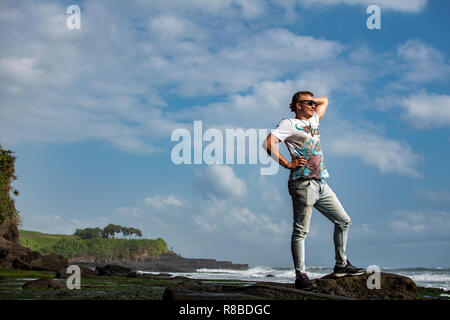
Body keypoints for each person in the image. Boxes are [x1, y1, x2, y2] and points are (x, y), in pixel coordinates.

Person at [263, 91, 365, 290]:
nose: (312, 105)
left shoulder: (315, 120)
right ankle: (301, 276)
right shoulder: (289, 124)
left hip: (321, 183)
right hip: (302, 183)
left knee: (344, 221)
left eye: (312, 103)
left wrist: (309, 100)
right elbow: (268, 143)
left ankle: (341, 264)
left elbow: (325, 100)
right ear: (298, 106)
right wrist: (287, 164)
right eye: (308, 103)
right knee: (301, 231)